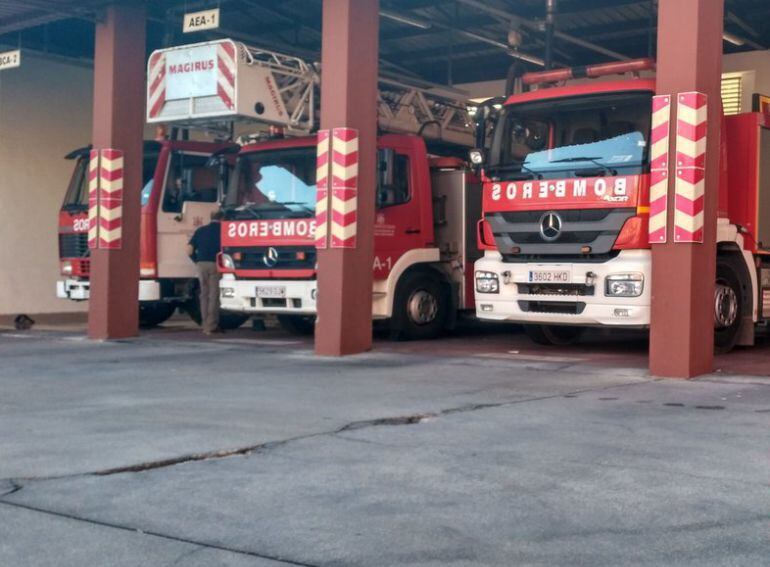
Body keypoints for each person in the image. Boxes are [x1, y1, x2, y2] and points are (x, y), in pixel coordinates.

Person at [188, 211, 224, 335]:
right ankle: (211, 325)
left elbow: (189, 250)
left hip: (201, 264)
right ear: (222, 218)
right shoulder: (223, 230)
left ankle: (204, 324)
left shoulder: (200, 230)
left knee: (204, 294)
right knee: (214, 295)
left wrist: (196, 261)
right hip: (216, 264)